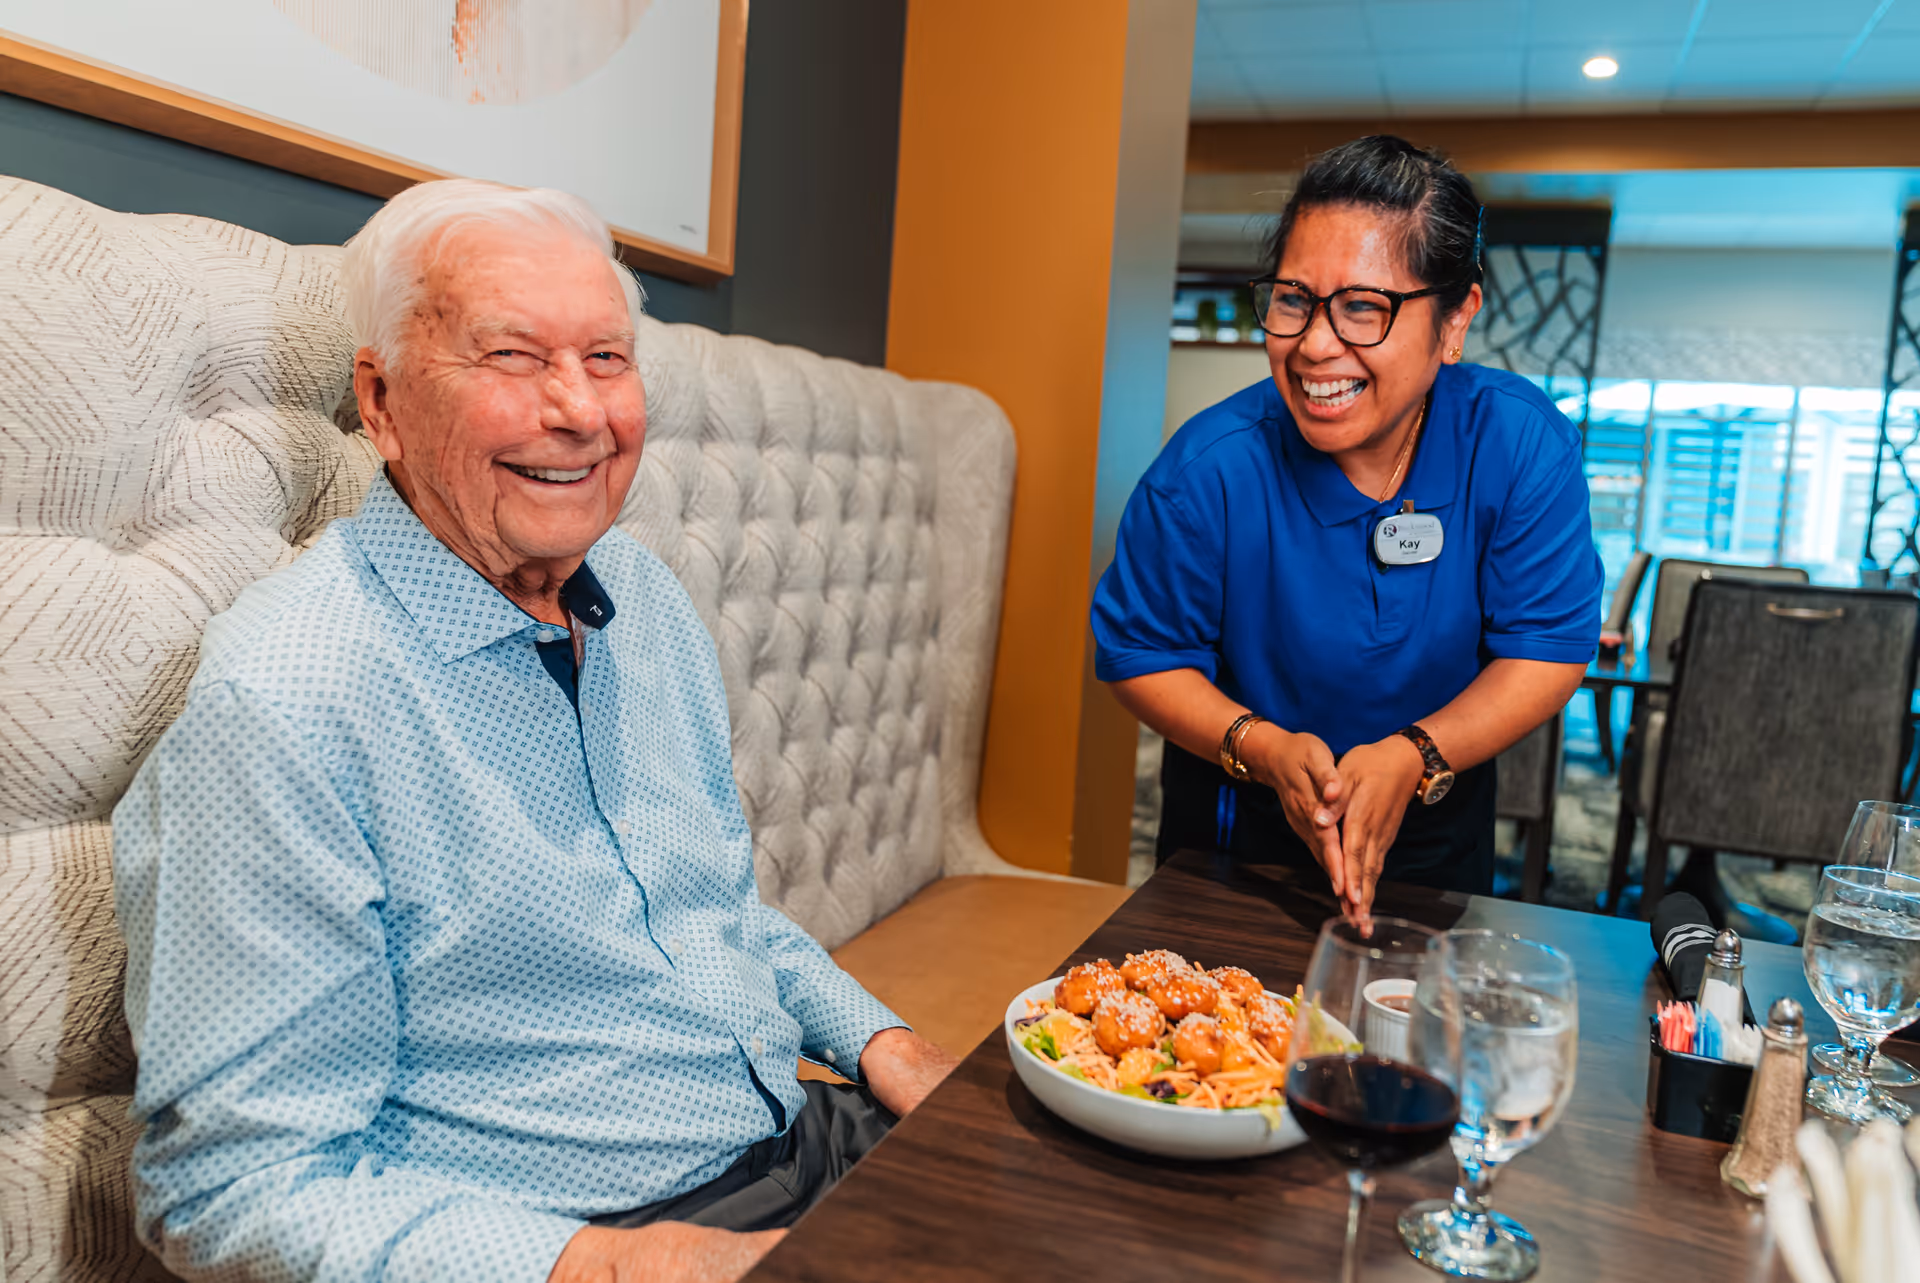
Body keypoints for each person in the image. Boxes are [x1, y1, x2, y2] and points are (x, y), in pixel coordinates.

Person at [111, 179, 956, 1283]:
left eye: (607, 359)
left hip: (799, 1129)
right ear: (382, 402)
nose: (580, 410)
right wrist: (611, 1263)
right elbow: (223, 1190)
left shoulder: (643, 595)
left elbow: (712, 911)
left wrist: (889, 1043)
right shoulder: (289, 702)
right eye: (512, 358)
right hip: (569, 1235)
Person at [1092, 136, 1602, 921]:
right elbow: (1138, 654)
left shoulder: (1518, 443)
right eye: (1294, 299)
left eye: (1364, 307)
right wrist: (1260, 746)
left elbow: (1546, 648)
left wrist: (1417, 752)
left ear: (1456, 318)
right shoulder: (1210, 468)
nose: (1315, 345)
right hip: (1235, 844)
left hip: (1435, 832)